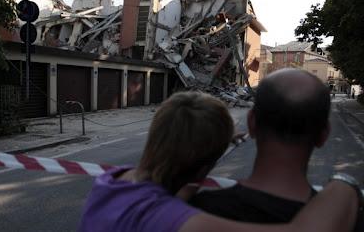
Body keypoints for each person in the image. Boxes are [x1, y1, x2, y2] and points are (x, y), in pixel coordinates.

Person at [78, 91, 360, 232]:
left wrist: (211, 147)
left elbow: (176, 189)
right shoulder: (170, 219)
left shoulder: (112, 182)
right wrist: (344, 184)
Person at [190, 69, 364, 230]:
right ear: (323, 135)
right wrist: (344, 184)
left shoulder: (193, 213)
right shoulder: (344, 220)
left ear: (251, 123)